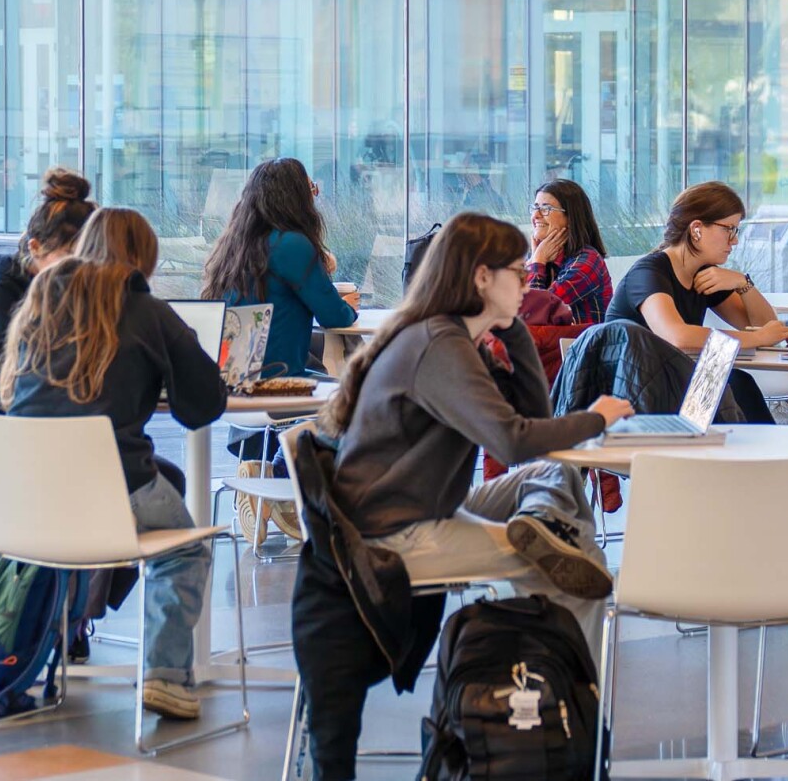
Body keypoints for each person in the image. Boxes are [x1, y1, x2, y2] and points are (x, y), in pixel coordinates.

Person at [325, 212, 632, 646]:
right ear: (483, 278)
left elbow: (535, 426)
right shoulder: (439, 344)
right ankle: (570, 699)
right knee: (581, 570)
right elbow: (513, 440)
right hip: (393, 534)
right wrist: (596, 417)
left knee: (555, 474)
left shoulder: (451, 335)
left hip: (427, 506)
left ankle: (544, 529)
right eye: (518, 271)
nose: (529, 281)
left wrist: (516, 330)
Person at [0, 208, 227, 720]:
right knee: (183, 552)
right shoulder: (148, 311)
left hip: (27, 494)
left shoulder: (38, 300)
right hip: (112, 483)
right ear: (142, 258)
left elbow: (16, 390)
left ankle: (62, 639)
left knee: (162, 478)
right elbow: (203, 407)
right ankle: (166, 677)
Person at [201, 157, 358, 540]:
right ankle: (280, 474)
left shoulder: (234, 244)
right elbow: (335, 315)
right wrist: (347, 301)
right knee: (357, 401)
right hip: (278, 382)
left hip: (229, 386)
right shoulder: (292, 244)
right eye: (311, 190)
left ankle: (265, 470)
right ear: (295, 197)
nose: (314, 198)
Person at [604, 181, 788, 422]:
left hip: (670, 385)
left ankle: (763, 458)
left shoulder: (705, 275)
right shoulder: (649, 272)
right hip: (632, 393)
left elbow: (765, 327)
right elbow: (678, 337)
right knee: (734, 383)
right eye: (729, 229)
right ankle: (765, 458)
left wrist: (743, 283)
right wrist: (757, 338)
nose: (734, 241)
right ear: (697, 229)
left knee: (737, 383)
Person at [0, 167, 96, 412]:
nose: (80, 268)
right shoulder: (0, 291)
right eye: (69, 257)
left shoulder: (66, 290)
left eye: (88, 258)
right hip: (5, 426)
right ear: (35, 248)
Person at [525, 179, 614, 325]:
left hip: (582, 347)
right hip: (549, 345)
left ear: (570, 217)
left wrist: (537, 261)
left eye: (546, 208)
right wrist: (534, 260)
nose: (535, 215)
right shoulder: (539, 256)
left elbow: (535, 313)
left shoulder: (587, 261)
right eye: (535, 207)